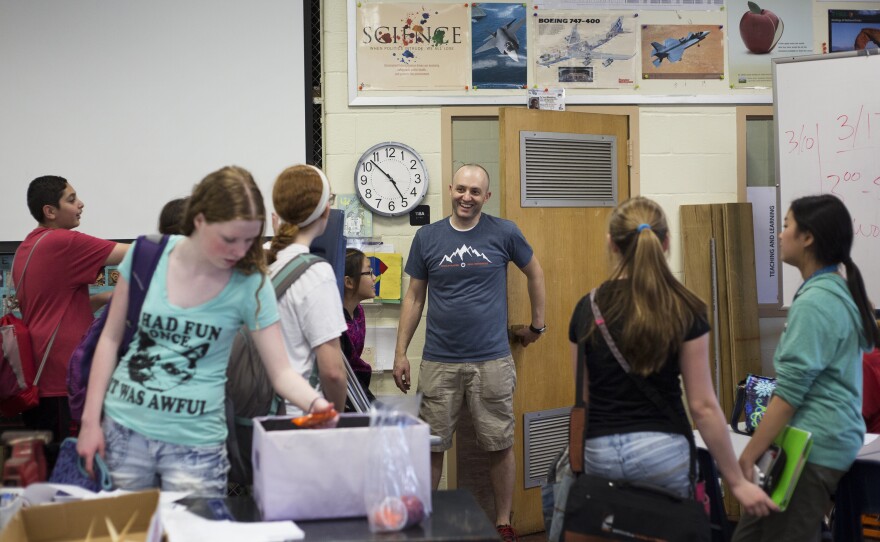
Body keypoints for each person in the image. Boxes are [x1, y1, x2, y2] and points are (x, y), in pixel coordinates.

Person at [76, 166, 335, 496]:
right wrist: (89, 423)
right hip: (125, 433)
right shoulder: (146, 255)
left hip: (197, 447)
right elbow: (109, 340)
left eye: (249, 240)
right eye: (229, 239)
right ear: (199, 221)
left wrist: (316, 403)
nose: (239, 251)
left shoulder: (250, 282)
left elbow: (281, 372)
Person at [567, 196, 776, 527]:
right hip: (664, 451)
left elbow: (584, 399)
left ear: (612, 244)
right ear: (665, 242)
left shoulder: (586, 308)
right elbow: (703, 406)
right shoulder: (685, 307)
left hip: (601, 450)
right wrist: (735, 481)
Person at [393, 163, 546, 541]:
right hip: (438, 361)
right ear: (450, 189)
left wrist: (537, 327)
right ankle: (426, 519)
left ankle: (504, 522)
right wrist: (400, 352)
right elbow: (414, 297)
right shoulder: (428, 237)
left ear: (486, 197)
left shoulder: (504, 232)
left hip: (491, 360)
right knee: (432, 444)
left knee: (499, 443)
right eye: (461, 189)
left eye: (475, 192)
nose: (467, 197)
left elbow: (536, 273)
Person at [734, 194, 880, 542]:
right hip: (814, 442)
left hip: (814, 448)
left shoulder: (817, 301)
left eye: (786, 226)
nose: (780, 235)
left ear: (808, 237)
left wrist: (749, 454)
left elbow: (789, 395)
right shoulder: (830, 290)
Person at [11, 175, 128, 458]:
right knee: (72, 469)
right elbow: (137, 252)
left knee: (48, 471)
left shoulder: (28, 246)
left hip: (40, 380)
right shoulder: (63, 242)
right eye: (72, 199)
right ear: (50, 211)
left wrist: (101, 299)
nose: (81, 204)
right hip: (62, 381)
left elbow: (51, 310)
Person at [266, 164, 347, 413]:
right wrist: (335, 417)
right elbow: (332, 372)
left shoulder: (257, 262)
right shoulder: (316, 273)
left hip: (253, 412)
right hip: (298, 415)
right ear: (325, 211)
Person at [341, 248, 376, 402]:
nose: (374, 278)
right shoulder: (337, 324)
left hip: (357, 385)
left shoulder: (358, 311)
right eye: (368, 273)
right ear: (349, 282)